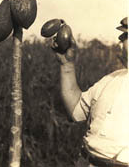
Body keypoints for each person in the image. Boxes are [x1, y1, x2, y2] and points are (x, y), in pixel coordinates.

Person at [51, 17, 128, 167]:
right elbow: (76, 111)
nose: (120, 41)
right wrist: (67, 66)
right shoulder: (111, 79)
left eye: (125, 36)